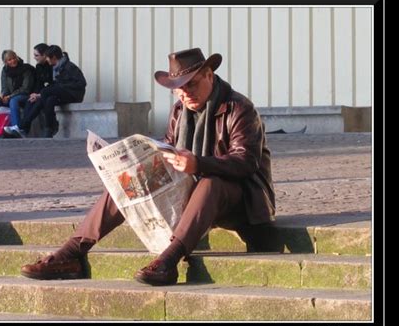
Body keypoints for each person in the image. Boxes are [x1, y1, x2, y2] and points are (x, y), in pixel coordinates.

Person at [21, 47, 275, 285]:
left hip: (241, 200)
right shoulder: (179, 110)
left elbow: (246, 161)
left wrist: (198, 163)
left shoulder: (239, 108)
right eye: (178, 89)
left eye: (191, 85)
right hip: (189, 193)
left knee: (211, 182)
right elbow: (168, 147)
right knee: (127, 181)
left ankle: (169, 259)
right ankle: (71, 253)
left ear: (209, 75)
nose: (185, 93)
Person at [0, 50, 35, 139]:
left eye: (14, 58)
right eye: (9, 60)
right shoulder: (5, 71)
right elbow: (5, 87)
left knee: (14, 101)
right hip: (10, 97)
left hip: (24, 96)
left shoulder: (26, 69)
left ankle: (16, 129)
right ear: (5, 62)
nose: (13, 61)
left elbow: (26, 88)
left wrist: (10, 96)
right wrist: (3, 95)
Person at [4, 43, 53, 138]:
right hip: (40, 93)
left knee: (22, 102)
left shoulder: (51, 66)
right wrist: (35, 93)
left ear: (44, 55)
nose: (34, 57)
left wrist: (39, 94)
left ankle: (20, 128)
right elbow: (39, 83)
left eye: (36, 55)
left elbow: (52, 83)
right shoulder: (39, 67)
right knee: (29, 101)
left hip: (48, 94)